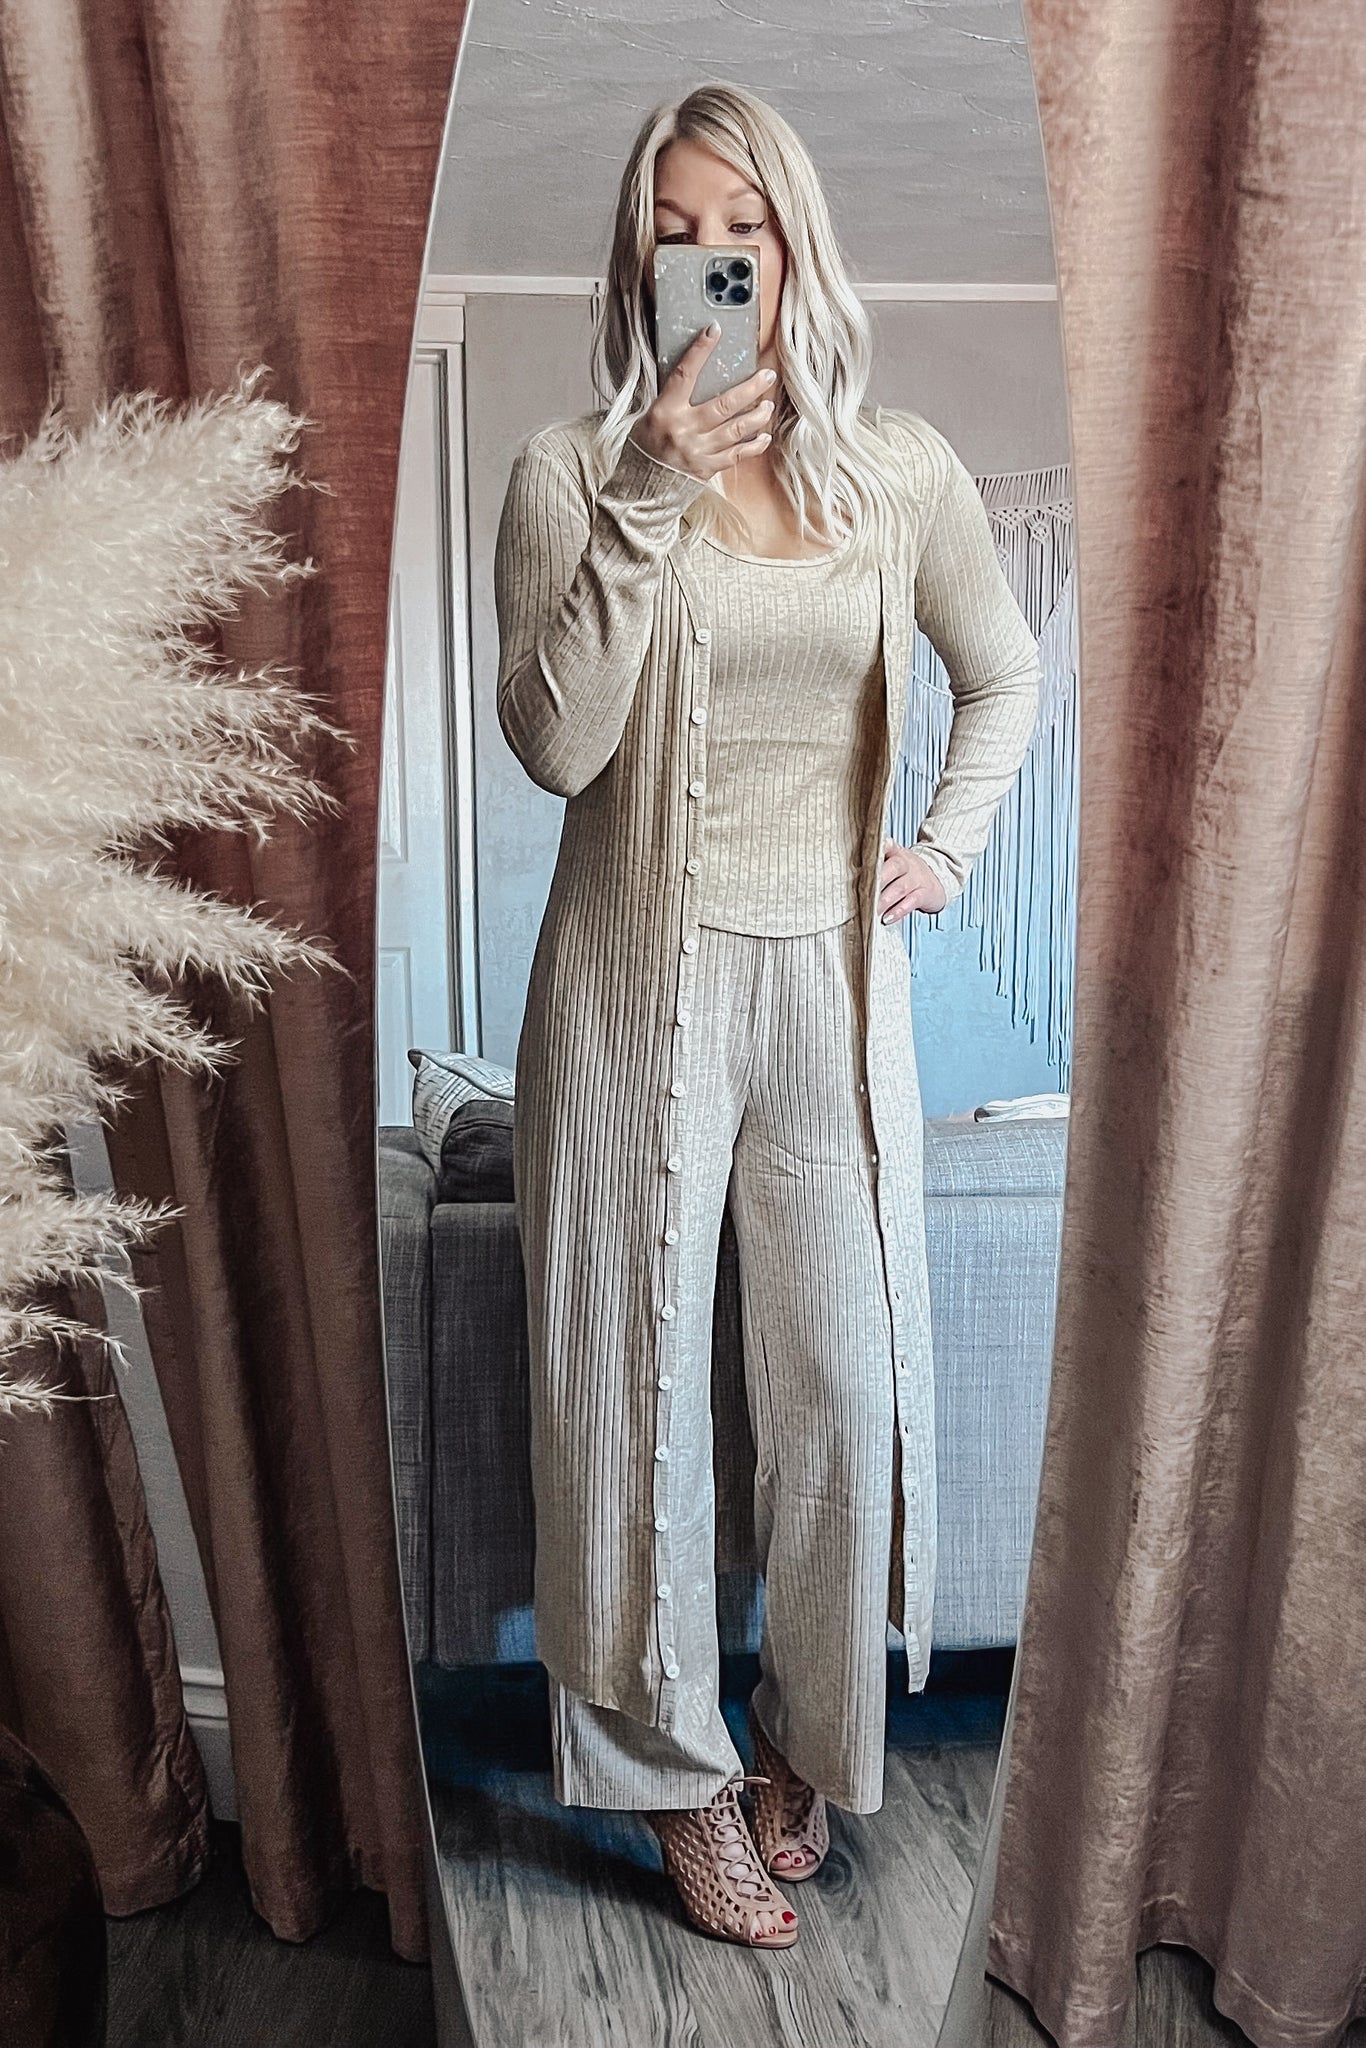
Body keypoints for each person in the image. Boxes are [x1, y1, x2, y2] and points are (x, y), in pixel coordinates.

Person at [493, 79, 1042, 1952]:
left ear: (798, 248)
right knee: (631, 1390)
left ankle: (808, 1733)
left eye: (743, 225)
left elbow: (1003, 671)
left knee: (839, 1384)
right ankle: (669, 1781)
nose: (711, 256)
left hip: (831, 981)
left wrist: (945, 851)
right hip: (626, 991)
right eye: (675, 231)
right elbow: (555, 741)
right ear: (635, 260)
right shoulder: (567, 474)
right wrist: (650, 486)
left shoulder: (899, 473)